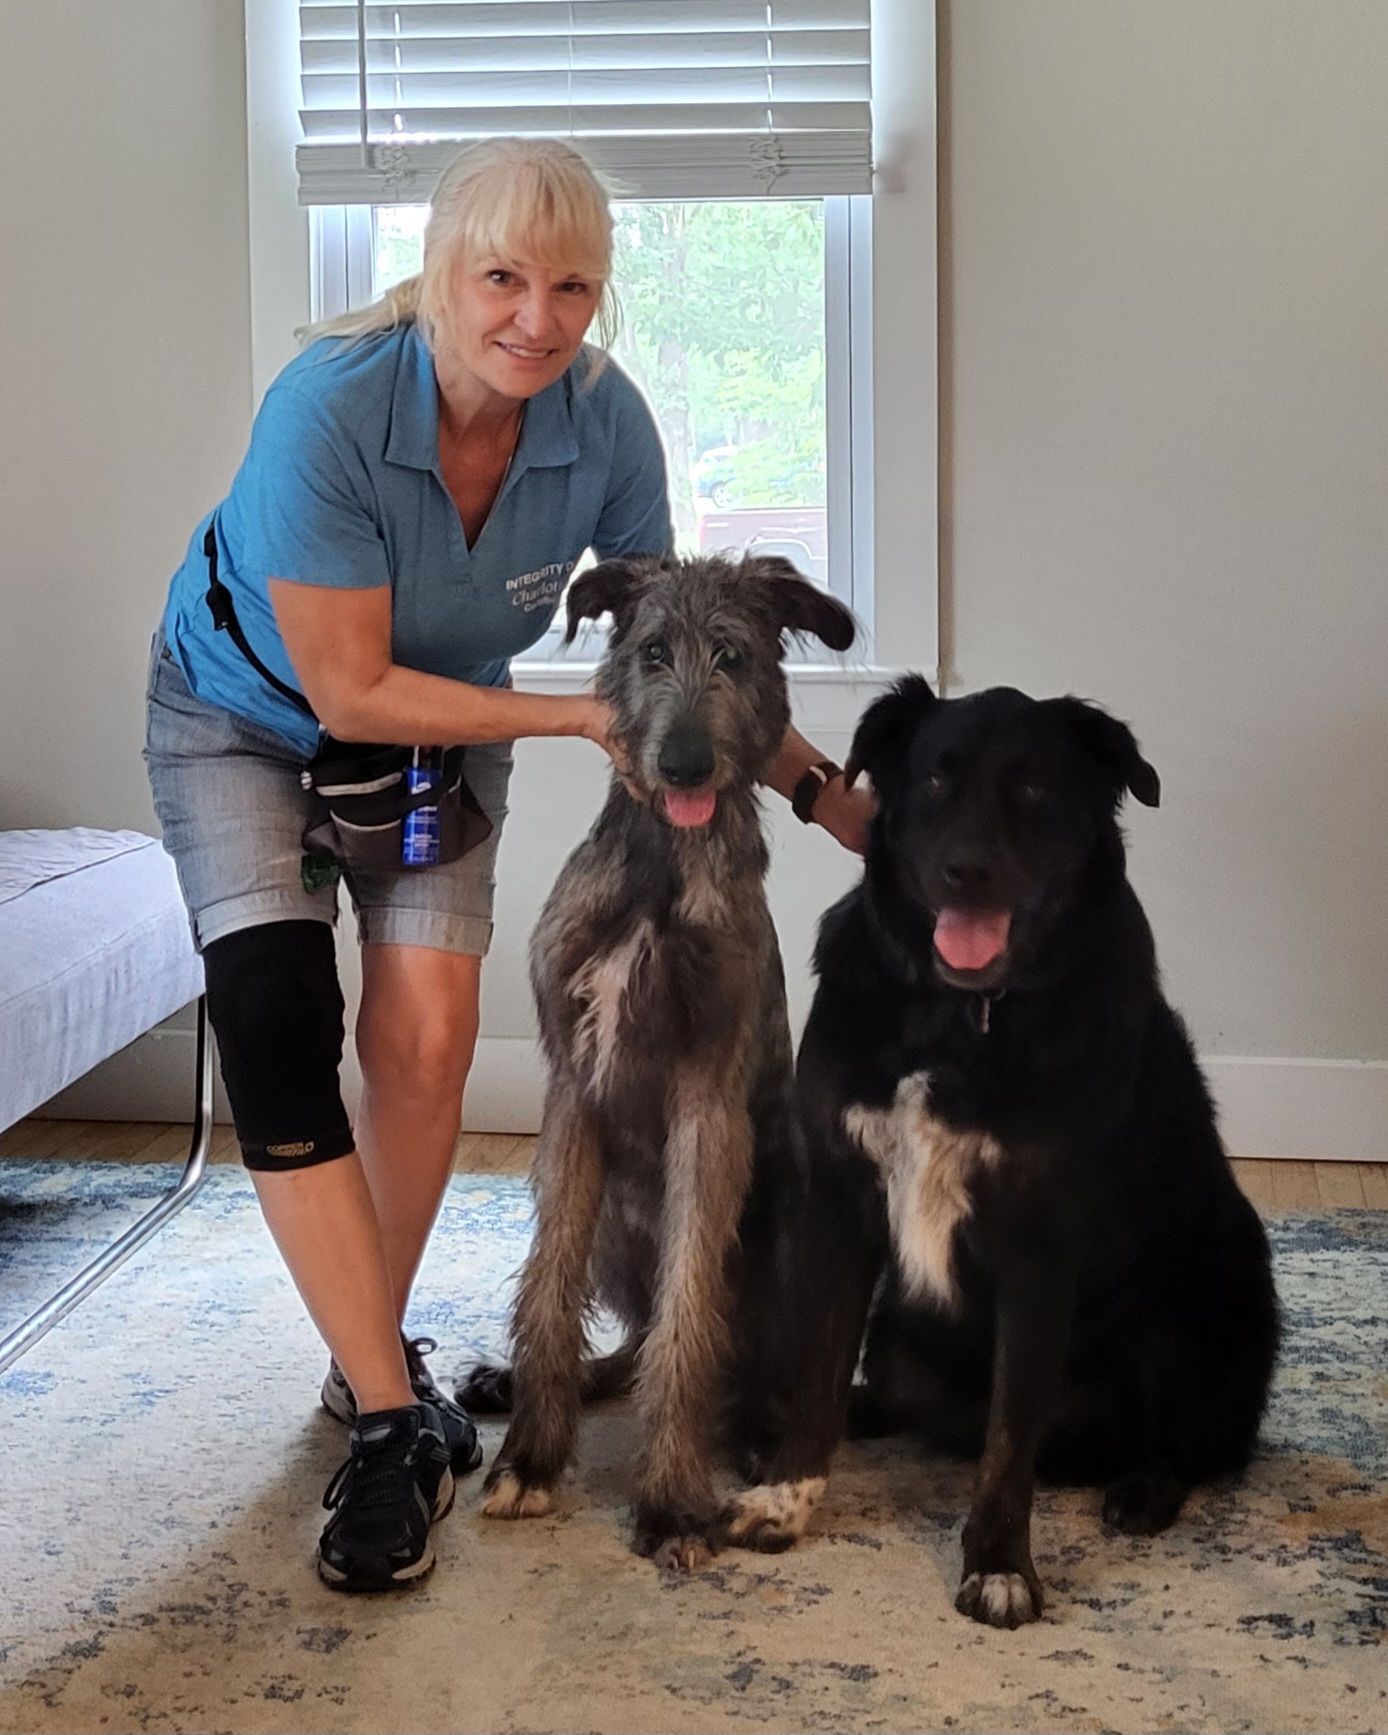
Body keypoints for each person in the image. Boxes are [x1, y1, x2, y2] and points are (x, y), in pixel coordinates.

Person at [145, 136, 872, 1592]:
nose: (536, 317)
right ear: (438, 271)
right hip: (244, 716)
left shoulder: (604, 426)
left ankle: (369, 1366)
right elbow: (349, 692)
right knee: (276, 1022)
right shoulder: (331, 411)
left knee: (423, 1043)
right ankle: (396, 1418)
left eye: (572, 286)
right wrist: (577, 717)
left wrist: (822, 796)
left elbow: (686, 651)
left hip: (437, 741)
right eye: (500, 277)